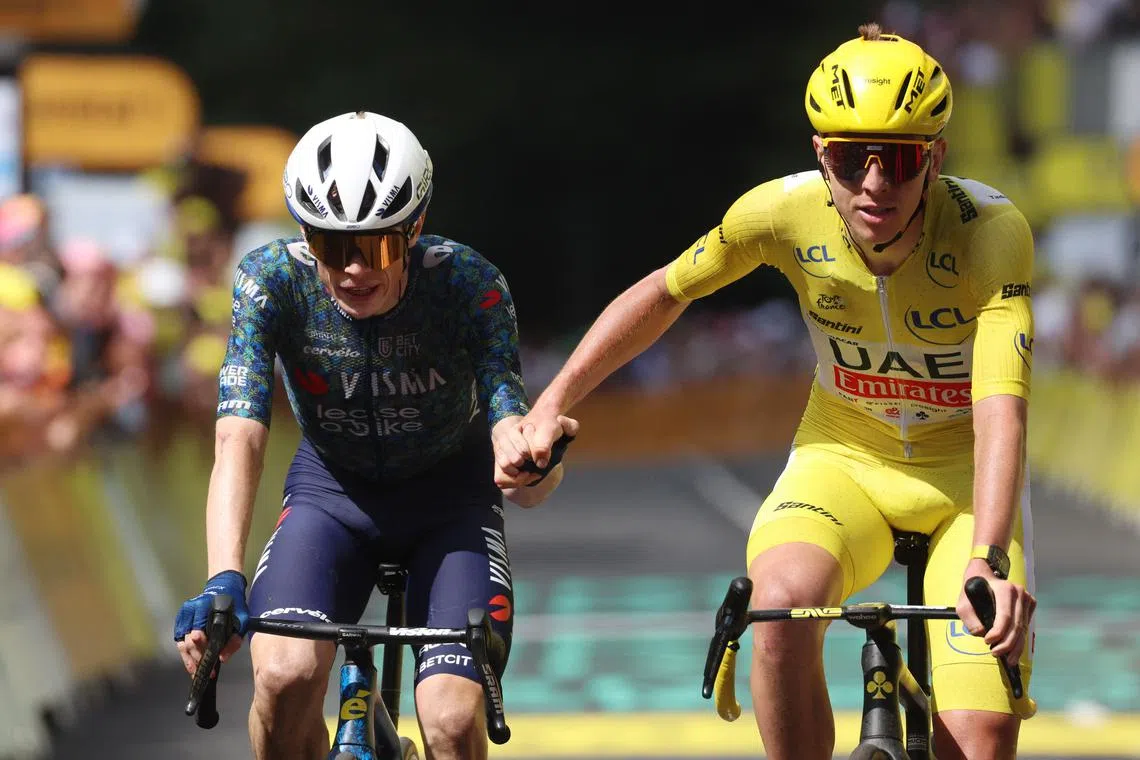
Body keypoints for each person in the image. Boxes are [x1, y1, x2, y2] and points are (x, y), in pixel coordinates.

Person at [496, 23, 1037, 760]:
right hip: (844, 459)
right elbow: (664, 293)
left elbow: (1003, 404)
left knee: (979, 736)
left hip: (965, 480)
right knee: (778, 609)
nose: (875, 184)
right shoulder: (780, 213)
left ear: (936, 156)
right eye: (850, 160)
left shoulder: (990, 232)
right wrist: (552, 401)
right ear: (821, 154)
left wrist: (990, 560)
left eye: (902, 161)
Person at [173, 110, 575, 760]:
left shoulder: (468, 285)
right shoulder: (269, 281)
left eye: (380, 246)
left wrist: (535, 466)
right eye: (332, 246)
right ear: (304, 234)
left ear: (415, 228)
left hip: (452, 503)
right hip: (332, 494)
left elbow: (516, 442)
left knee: (447, 720)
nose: (355, 270)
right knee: (282, 678)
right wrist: (223, 576)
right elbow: (238, 436)